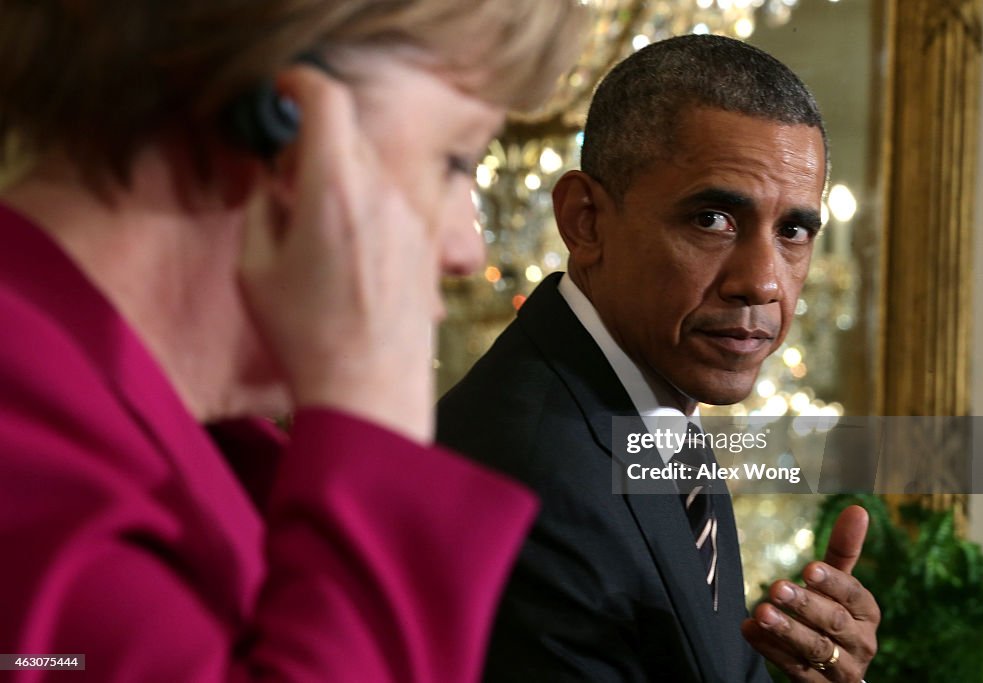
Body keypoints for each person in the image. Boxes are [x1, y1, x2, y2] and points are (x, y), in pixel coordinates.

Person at [0, 1, 583, 681]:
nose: (465, 245)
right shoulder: (26, 444)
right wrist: (373, 412)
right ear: (278, 122)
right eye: (454, 160)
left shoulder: (163, 439)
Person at [437, 35, 881, 682]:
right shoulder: (535, 482)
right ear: (585, 220)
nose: (762, 281)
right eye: (712, 218)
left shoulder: (648, 413)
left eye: (792, 231)